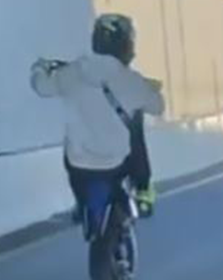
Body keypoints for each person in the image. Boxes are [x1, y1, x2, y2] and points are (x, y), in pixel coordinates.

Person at [32, 14, 165, 222]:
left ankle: (81, 206)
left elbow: (41, 86)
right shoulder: (130, 80)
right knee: (135, 119)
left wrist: (39, 68)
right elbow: (158, 107)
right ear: (126, 45)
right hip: (116, 163)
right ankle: (143, 190)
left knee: (72, 139)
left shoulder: (72, 72)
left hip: (79, 165)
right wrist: (149, 90)